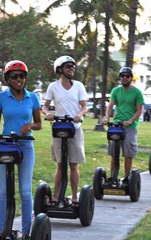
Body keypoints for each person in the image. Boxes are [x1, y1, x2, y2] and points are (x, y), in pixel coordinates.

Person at [0, 60, 42, 240]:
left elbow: (39, 124)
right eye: (14, 76)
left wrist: (30, 126)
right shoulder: (1, 98)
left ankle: (26, 232)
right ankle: (2, 230)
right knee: (3, 190)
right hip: (6, 146)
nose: (19, 79)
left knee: (25, 191)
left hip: (26, 146)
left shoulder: (33, 97)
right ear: (8, 79)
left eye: (22, 76)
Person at [42, 55, 88, 204]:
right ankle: (56, 197)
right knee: (60, 165)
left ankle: (75, 197)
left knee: (73, 164)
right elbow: (45, 105)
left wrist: (79, 114)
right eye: (68, 66)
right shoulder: (53, 87)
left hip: (75, 128)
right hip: (59, 128)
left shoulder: (79, 86)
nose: (72, 69)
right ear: (60, 69)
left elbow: (84, 106)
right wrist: (48, 114)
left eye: (73, 66)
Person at [102, 67, 144, 185]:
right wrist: (107, 118)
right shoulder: (116, 91)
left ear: (131, 78)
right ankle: (112, 178)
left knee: (128, 154)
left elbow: (139, 110)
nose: (124, 78)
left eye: (127, 76)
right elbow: (110, 106)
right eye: (122, 76)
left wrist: (130, 121)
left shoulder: (137, 92)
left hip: (130, 126)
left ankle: (126, 178)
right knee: (114, 153)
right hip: (116, 125)